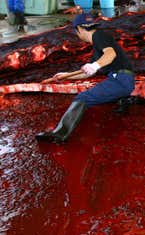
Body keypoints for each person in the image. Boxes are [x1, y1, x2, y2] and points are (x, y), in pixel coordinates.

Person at [36, 13, 136, 143]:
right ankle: (125, 101)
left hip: (120, 79)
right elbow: (88, 73)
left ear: (80, 29)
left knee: (83, 98)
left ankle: (59, 134)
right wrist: (65, 76)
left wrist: (95, 65)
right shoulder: (97, 48)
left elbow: (110, 54)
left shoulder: (99, 36)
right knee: (104, 90)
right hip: (124, 80)